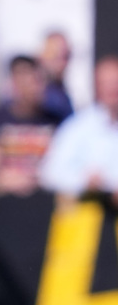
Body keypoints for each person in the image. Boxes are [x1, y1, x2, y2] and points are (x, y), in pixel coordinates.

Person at [0, 56, 66, 196]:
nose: (34, 88)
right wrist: (7, 178)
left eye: (37, 81)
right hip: (5, 200)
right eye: (25, 81)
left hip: (44, 198)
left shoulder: (56, 120)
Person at [39, 55, 118, 198]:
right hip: (92, 210)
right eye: (106, 83)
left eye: (115, 82)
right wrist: (85, 181)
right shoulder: (78, 127)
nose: (113, 89)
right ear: (96, 86)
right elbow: (49, 173)